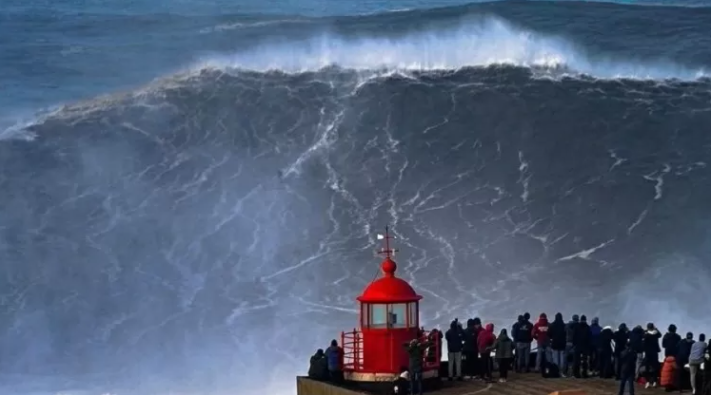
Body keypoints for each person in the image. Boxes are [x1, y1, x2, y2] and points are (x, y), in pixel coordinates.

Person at [643, 322, 662, 388]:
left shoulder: (646, 335)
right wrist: (656, 329)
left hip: (648, 353)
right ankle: (654, 381)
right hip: (655, 352)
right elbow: (660, 335)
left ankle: (647, 382)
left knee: (647, 368)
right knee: (655, 367)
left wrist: (645, 330)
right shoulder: (656, 334)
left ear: (648, 327)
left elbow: (643, 338)